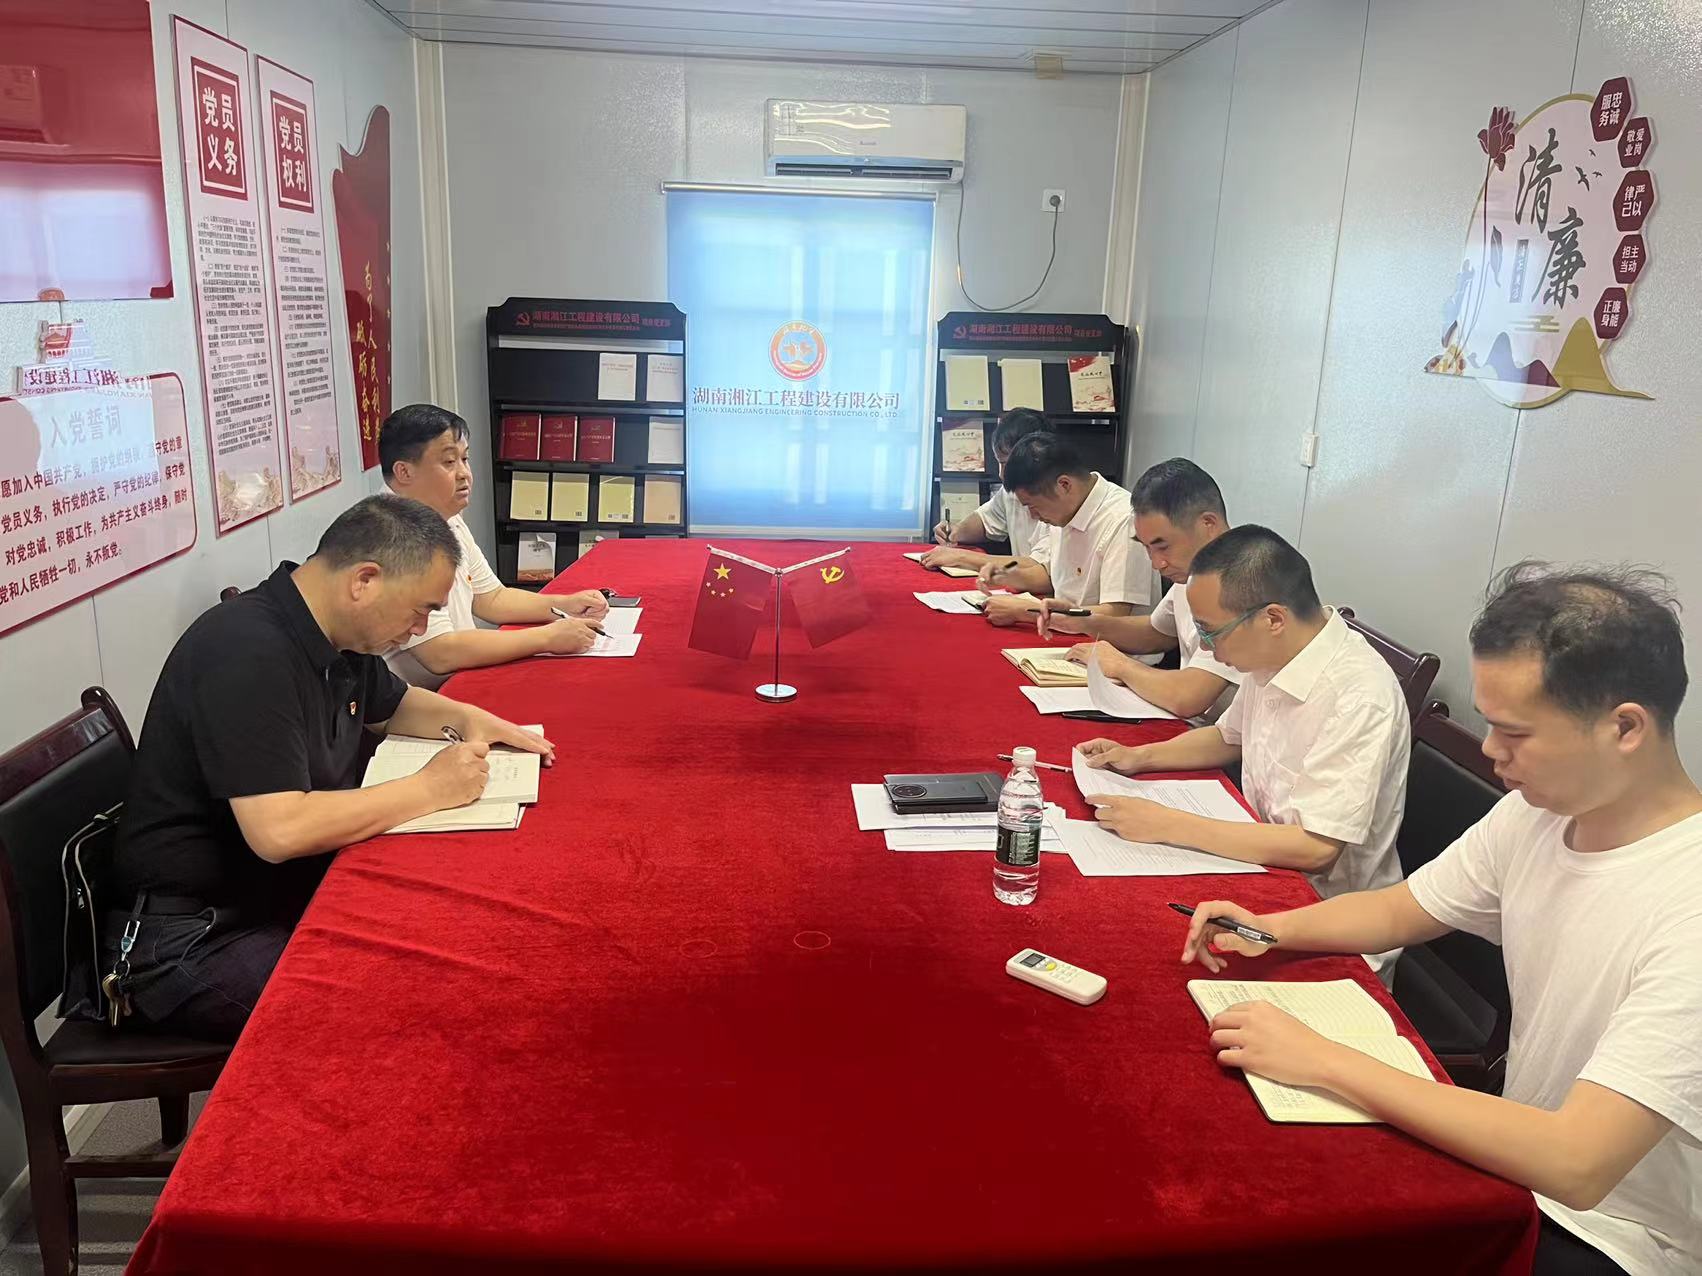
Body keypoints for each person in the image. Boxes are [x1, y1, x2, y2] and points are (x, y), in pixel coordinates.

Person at [1179, 564, 1702, 1276]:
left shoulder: (1686, 899)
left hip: (1616, 1235)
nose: (1491, 751)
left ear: (1625, 727)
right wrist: (1268, 928)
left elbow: (1579, 1162)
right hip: (1517, 1162)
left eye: (1514, 732)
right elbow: (1403, 908)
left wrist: (1324, 1059)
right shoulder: (1538, 815)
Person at [104, 495, 555, 1041]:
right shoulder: (246, 652)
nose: (419, 630)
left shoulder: (333, 632)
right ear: (364, 580)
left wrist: (482, 724)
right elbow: (280, 830)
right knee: (414, 999)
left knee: (454, 928)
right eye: (419, 610)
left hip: (270, 895)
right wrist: (430, 788)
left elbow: (396, 706)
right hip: (191, 939)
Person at [1078, 524, 1410, 980]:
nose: (1206, 647)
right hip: (1257, 870)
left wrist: (1166, 824)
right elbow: (1227, 736)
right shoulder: (1275, 653)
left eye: (1212, 632)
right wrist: (1141, 757)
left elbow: (1316, 848)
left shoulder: (1359, 695)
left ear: (1273, 619)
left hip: (1325, 925)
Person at [379, 403, 608, 688]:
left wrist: (565, 604)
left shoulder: (444, 516)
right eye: (449, 462)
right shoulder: (392, 536)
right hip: (415, 698)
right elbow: (440, 653)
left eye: (465, 459)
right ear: (404, 472)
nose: (464, 473)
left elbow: (491, 598)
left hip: (459, 678)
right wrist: (548, 637)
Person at [1039, 457, 1242, 722]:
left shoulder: (1242, 579)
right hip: (1192, 725)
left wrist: (1120, 665)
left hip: (1221, 736)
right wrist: (1081, 620)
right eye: (1147, 548)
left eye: (1163, 546)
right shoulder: (1194, 571)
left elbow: (1187, 697)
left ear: (1208, 524)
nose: (1157, 563)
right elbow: (1156, 632)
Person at [975, 433, 1152, 627]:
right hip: (1065, 632)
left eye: (1033, 506)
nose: (1033, 516)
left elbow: (1116, 614)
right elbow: (1051, 576)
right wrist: (1005, 576)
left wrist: (1026, 612)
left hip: (1108, 642)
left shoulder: (1123, 519)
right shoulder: (1065, 509)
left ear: (1064, 485)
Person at [921, 408, 1049, 570]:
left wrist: (960, 557)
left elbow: (1041, 567)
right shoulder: (1011, 491)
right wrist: (956, 531)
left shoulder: (1058, 499)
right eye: (1000, 463)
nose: (1001, 474)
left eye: (1007, 464)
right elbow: (986, 520)